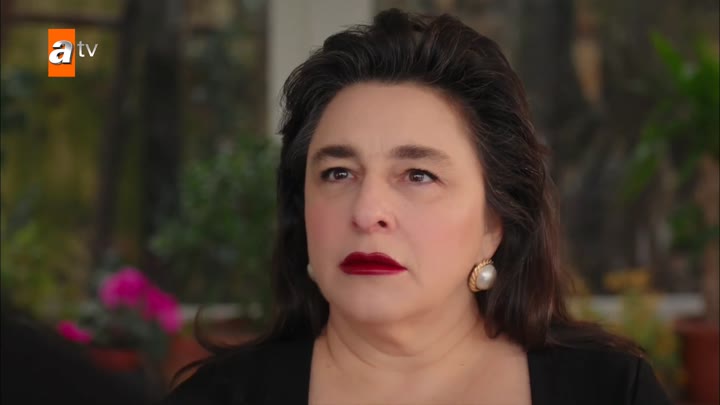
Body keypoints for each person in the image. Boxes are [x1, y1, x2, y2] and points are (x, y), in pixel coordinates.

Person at [162, 8, 672, 405]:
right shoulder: (219, 397)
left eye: (418, 175)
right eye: (338, 173)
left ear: (494, 221)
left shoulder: (610, 391)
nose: (368, 212)